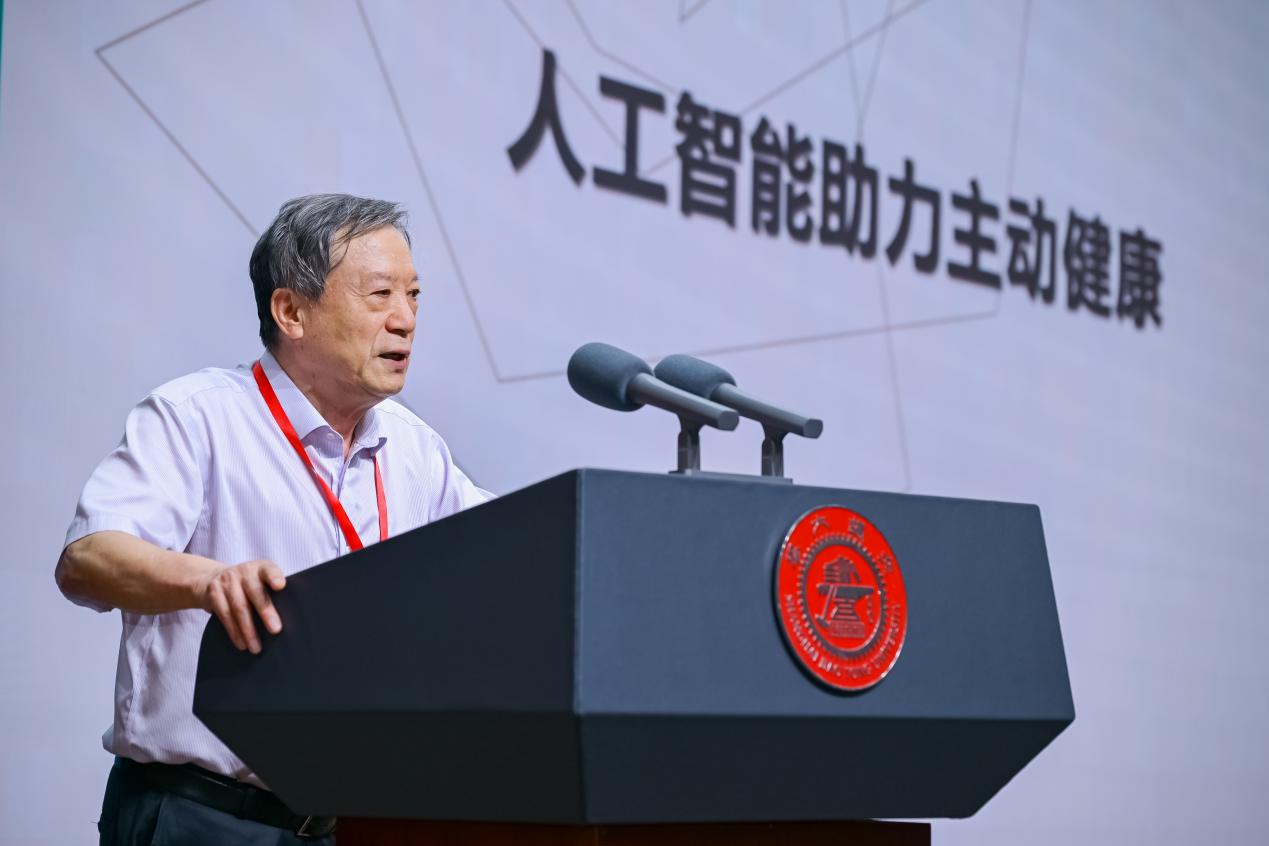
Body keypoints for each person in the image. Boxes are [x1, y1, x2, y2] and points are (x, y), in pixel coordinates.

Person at [55, 194, 493, 844]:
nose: (405, 320)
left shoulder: (414, 448)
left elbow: (506, 554)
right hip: (200, 816)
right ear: (291, 311)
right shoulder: (199, 416)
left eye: (413, 295)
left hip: (350, 825)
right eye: (379, 295)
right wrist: (208, 581)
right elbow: (88, 559)